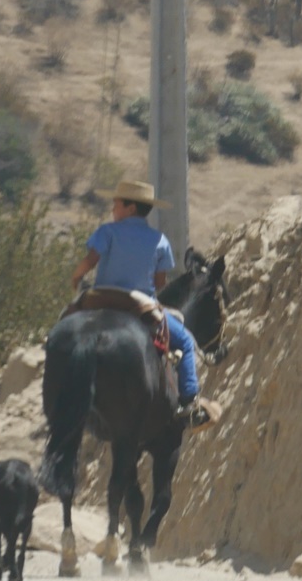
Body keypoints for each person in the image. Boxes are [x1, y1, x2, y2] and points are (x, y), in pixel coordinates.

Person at [69, 180, 209, 426]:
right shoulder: (159, 240)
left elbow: (91, 259)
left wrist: (77, 276)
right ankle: (189, 402)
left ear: (130, 208)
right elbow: (160, 281)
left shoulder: (107, 232)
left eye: (116, 204)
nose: (112, 209)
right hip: (140, 306)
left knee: (66, 324)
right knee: (186, 342)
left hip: (102, 298)